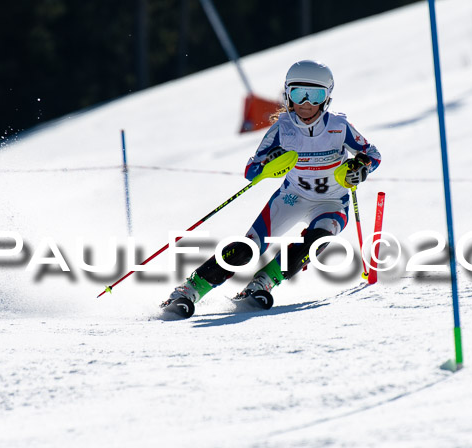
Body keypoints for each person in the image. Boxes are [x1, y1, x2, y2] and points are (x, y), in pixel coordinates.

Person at [161, 60, 381, 318]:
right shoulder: (282, 129)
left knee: (316, 241)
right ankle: (188, 290)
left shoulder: (339, 127)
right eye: (299, 94)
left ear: (327, 98)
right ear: (288, 95)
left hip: (332, 202)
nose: (306, 103)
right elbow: (251, 170)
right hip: (291, 198)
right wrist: (268, 163)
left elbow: (372, 154)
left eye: (316, 95)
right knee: (247, 249)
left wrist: (360, 166)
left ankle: (261, 284)